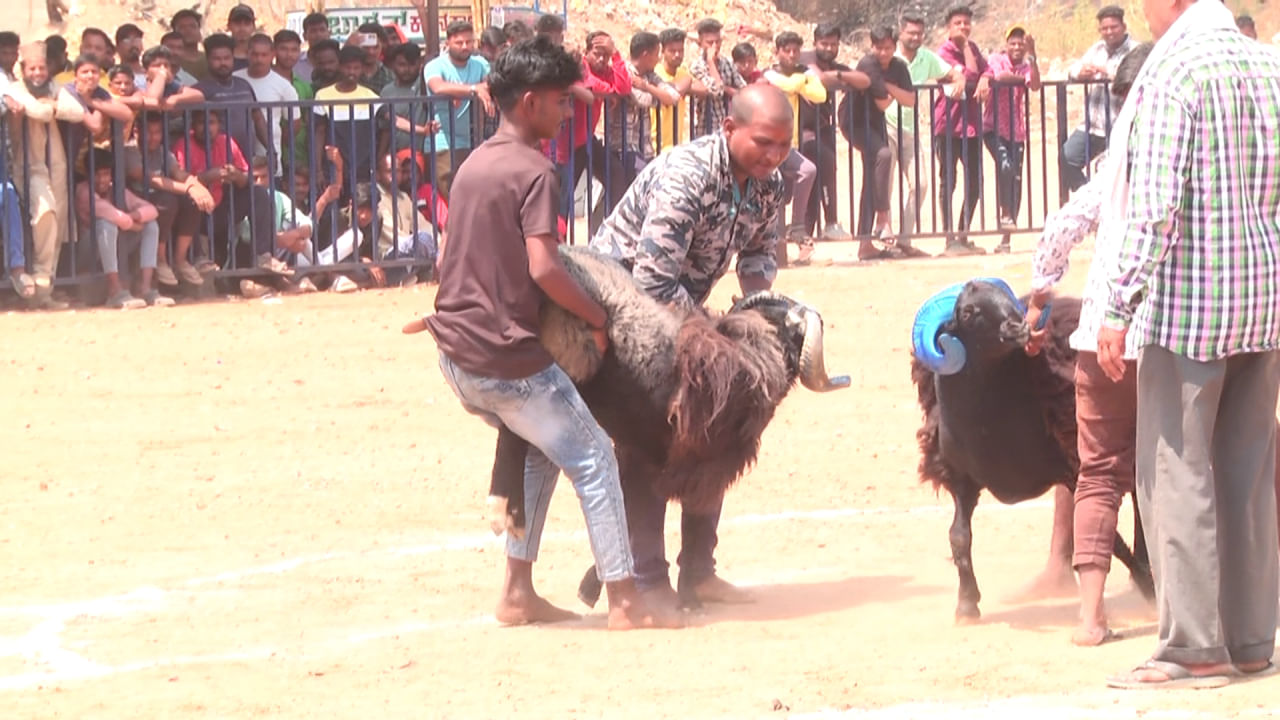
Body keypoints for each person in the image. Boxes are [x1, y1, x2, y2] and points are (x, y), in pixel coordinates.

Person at [403, 36, 679, 631]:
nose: (565, 113)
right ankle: (626, 602)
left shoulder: (476, 161)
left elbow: (452, 251)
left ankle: (517, 592)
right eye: (559, 102)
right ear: (529, 102)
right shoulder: (535, 169)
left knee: (545, 451)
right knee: (596, 458)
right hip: (506, 363)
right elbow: (545, 268)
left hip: (456, 353)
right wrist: (601, 318)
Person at [1095, 0, 1280, 689]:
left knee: (1176, 472)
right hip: (1264, 300)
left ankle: (1194, 646)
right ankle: (1253, 638)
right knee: (1248, 469)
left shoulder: (1176, 70)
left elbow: (1154, 207)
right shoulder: (1269, 63)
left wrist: (1116, 304)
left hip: (1193, 304)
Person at [589, 83, 792, 615]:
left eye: (783, 147)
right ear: (729, 129)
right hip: (616, 317)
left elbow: (756, 260)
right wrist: (718, 338)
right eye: (764, 143)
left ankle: (699, 571)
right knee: (651, 438)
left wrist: (759, 318)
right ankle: (646, 578)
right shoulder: (688, 176)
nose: (774, 156)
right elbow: (651, 283)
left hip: (682, 315)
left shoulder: (768, 186)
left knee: (724, 412)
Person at [1025, 43, 1153, 647]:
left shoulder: (1114, 164)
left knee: (1098, 473)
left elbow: (1060, 227)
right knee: (1188, 467)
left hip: (1101, 331)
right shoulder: (1191, 155)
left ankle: (1090, 617)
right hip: (1173, 334)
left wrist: (1039, 294)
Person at [884, 14, 956, 254]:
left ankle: (904, 239)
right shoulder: (889, 56)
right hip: (886, 126)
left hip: (911, 129)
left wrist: (960, 79)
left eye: (919, 33)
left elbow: (952, 72)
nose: (915, 37)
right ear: (901, 32)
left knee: (921, 184)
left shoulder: (927, 58)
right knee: (886, 186)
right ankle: (885, 241)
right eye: (911, 33)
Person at [839, 27, 913, 258]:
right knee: (883, 155)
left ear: (894, 46)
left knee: (871, 180)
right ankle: (883, 218)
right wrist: (893, 90)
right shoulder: (867, 64)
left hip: (875, 122)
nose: (883, 52)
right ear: (872, 47)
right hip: (855, 120)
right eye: (879, 47)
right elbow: (884, 104)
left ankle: (865, 244)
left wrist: (887, 87)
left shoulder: (899, 66)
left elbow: (910, 100)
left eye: (888, 48)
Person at [932, 5, 991, 255]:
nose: (963, 27)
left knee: (976, 181)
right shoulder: (943, 52)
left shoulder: (974, 48)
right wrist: (972, 65)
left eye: (966, 23)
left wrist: (986, 78)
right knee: (949, 180)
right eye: (958, 23)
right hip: (948, 125)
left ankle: (963, 233)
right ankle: (949, 239)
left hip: (972, 126)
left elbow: (984, 70)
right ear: (949, 26)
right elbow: (967, 73)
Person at [1060, 6, 1137, 197]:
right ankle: (1092, 201)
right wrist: (1081, 72)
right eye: (1105, 28)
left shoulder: (1135, 50)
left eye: (1114, 27)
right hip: (1092, 124)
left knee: (1114, 172)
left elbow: (1130, 77)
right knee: (1066, 157)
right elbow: (1075, 68)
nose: (1109, 32)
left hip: (1120, 125)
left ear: (1123, 26)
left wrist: (1104, 71)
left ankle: (1111, 210)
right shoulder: (1097, 48)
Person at [983, 25, 1040, 252]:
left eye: (1021, 44)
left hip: (1016, 130)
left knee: (1015, 180)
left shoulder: (1027, 66)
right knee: (1005, 166)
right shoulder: (997, 59)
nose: (1017, 47)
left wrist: (1033, 57)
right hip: (993, 126)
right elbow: (999, 76)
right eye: (1013, 43)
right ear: (1006, 45)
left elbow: (1034, 84)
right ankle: (1005, 213)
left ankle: (1006, 239)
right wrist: (1016, 78)